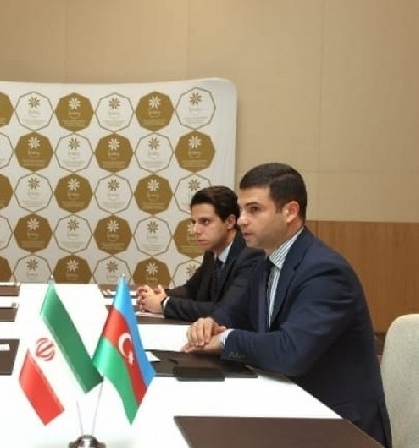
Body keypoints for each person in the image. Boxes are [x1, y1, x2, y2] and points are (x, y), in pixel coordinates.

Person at [183, 163, 391, 447]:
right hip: (290, 406)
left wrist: (226, 339)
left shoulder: (325, 271)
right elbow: (233, 314)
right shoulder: (266, 262)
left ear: (290, 211)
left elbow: (291, 351)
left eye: (254, 210)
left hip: (338, 425)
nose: (242, 220)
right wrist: (210, 324)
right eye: (241, 210)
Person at [136, 186, 263, 321]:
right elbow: (191, 290)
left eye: (205, 222)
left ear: (230, 222)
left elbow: (225, 310)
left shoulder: (250, 255)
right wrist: (160, 295)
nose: (195, 230)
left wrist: (164, 304)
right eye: (194, 222)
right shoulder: (212, 252)